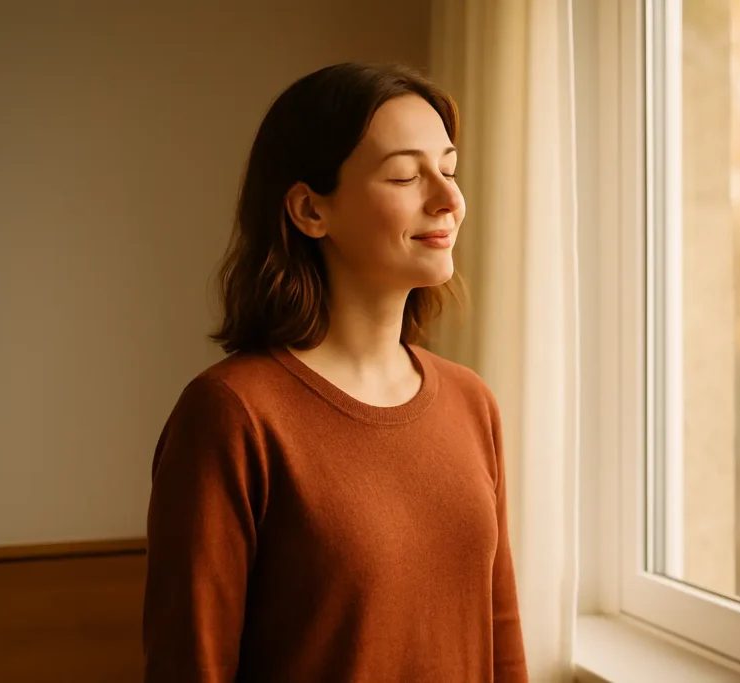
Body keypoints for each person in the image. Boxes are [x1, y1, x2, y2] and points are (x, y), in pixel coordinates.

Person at [141, 62, 528, 683]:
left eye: (449, 170)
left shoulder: (471, 401)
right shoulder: (231, 416)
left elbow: (500, 640)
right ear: (309, 209)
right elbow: (193, 666)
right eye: (405, 175)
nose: (449, 200)